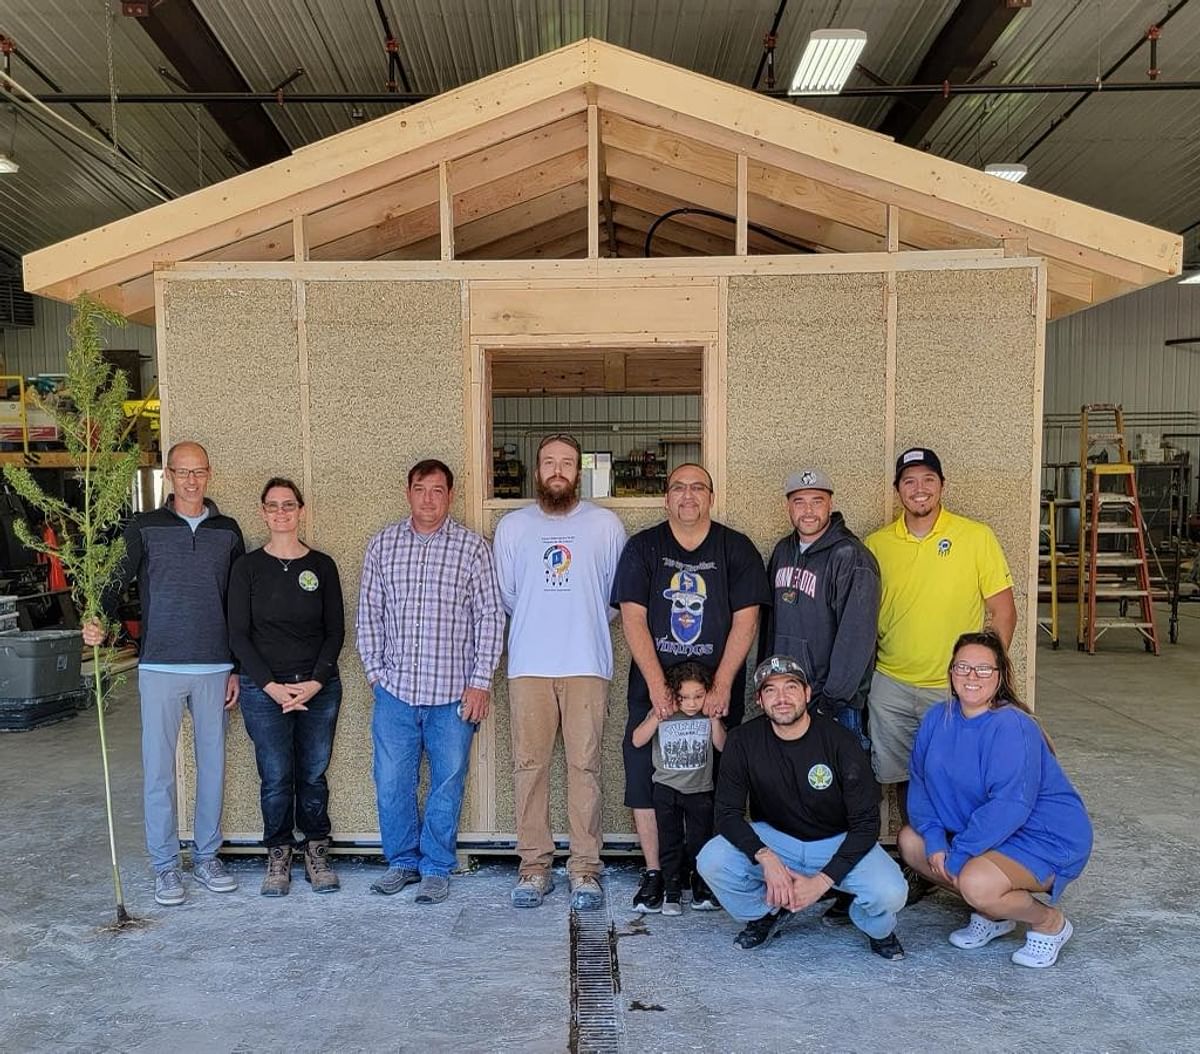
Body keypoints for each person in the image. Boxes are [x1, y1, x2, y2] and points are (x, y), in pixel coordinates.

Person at [83, 441, 244, 907]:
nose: (191, 480)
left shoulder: (228, 531)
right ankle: (165, 867)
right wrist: (96, 619)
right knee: (158, 773)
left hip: (215, 665)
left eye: (199, 472)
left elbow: (238, 603)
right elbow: (115, 581)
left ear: (209, 474)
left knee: (213, 767)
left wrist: (236, 666)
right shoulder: (145, 526)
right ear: (169, 475)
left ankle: (208, 856)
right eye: (182, 472)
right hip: (159, 665)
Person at [613, 462, 770, 913]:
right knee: (647, 778)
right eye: (678, 488)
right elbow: (634, 617)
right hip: (654, 687)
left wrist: (721, 684)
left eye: (697, 487)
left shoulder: (735, 548)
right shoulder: (644, 547)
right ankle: (655, 873)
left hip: (715, 692)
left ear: (711, 497)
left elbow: (747, 619)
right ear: (666, 497)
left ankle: (705, 872)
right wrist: (658, 687)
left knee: (715, 783)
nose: (687, 495)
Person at [357, 459, 504, 904]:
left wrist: (480, 681)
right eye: (421, 489)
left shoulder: (472, 549)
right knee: (391, 781)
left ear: (451, 496)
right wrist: (377, 675)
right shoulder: (383, 546)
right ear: (408, 492)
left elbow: (491, 616)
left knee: (448, 781)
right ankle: (401, 861)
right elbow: (369, 616)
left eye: (438, 490)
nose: (428, 498)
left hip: (452, 695)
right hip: (396, 693)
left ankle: (437, 866)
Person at [899, 631, 1093, 968]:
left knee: (973, 880)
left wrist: (957, 855)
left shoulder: (1012, 727)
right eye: (963, 667)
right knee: (911, 843)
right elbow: (920, 784)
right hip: (990, 835)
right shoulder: (936, 718)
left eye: (983, 669)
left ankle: (1048, 922)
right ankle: (993, 912)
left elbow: (1009, 807)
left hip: (1042, 836)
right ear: (951, 672)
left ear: (999, 675)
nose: (972, 677)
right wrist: (934, 840)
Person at [697, 655, 907, 961]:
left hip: (837, 839)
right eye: (771, 690)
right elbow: (726, 814)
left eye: (791, 687)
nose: (781, 698)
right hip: (777, 839)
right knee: (712, 859)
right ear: (759, 699)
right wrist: (765, 857)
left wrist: (822, 882)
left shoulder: (840, 741)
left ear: (807, 694)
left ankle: (874, 927)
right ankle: (768, 911)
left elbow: (866, 824)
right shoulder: (743, 740)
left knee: (890, 892)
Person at [493, 433, 626, 911]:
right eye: (548, 462)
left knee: (584, 767)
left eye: (566, 463)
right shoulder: (513, 527)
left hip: (586, 662)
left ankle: (585, 868)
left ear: (578, 472)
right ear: (536, 471)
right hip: (529, 663)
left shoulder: (605, 525)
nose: (557, 470)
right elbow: (507, 596)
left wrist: (578, 621)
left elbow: (613, 599)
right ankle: (534, 868)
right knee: (529, 768)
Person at [865, 447, 1017, 833]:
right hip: (892, 683)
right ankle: (920, 857)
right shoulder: (876, 545)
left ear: (942, 485)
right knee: (901, 775)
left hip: (954, 689)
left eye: (928, 480)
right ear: (897, 489)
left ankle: (961, 852)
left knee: (959, 775)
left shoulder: (976, 536)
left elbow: (1003, 611)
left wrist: (986, 678)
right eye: (909, 481)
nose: (919, 489)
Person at [228, 478, 344, 897]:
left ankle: (316, 850)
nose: (281, 512)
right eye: (273, 506)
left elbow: (335, 632)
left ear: (301, 510)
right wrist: (271, 686)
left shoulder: (322, 566)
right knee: (275, 777)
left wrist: (314, 682)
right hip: (264, 692)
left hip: (318, 689)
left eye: (289, 505)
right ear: (262, 511)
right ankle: (278, 853)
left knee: (312, 774)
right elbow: (238, 635)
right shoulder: (247, 568)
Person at [764, 468, 879, 745]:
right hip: (786, 697)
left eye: (817, 501)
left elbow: (857, 638)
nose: (808, 511)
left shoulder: (851, 556)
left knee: (833, 782)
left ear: (831, 503)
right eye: (799, 502)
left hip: (833, 704)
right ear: (788, 506)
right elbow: (770, 624)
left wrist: (830, 700)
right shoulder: (782, 550)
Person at [630, 660, 725, 916]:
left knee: (699, 841)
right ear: (674, 694)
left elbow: (722, 746)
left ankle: (697, 884)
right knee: (669, 842)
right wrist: (658, 716)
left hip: (700, 790)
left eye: (698, 696)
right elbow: (637, 740)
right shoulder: (663, 712)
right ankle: (671, 891)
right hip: (666, 789)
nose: (691, 703)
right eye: (684, 697)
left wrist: (715, 721)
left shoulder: (707, 715)